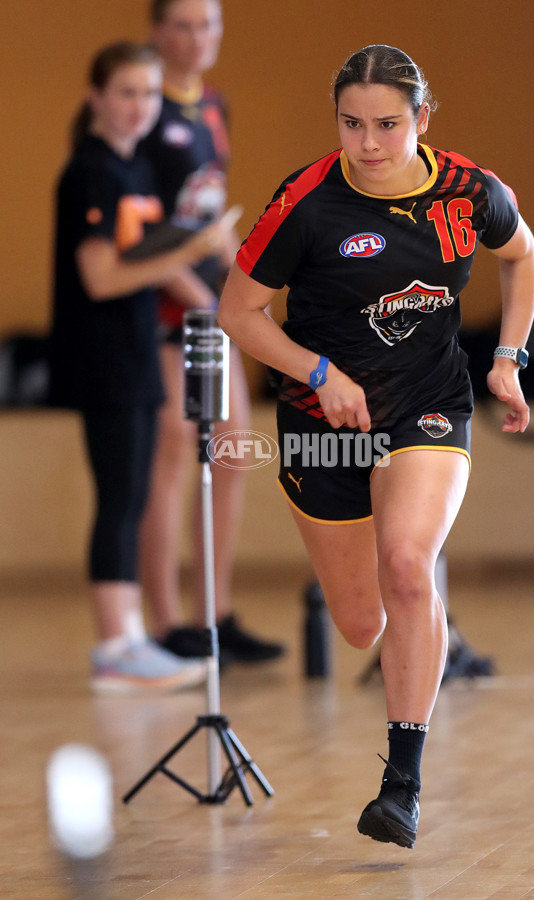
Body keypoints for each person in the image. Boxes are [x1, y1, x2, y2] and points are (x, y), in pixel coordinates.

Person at [218, 44, 534, 847]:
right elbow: (239, 312)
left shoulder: (470, 190)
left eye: (387, 125)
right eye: (352, 124)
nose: (367, 144)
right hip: (321, 423)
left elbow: (522, 254)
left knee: (407, 562)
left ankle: (403, 784)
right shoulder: (305, 201)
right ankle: (375, 593)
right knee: (360, 624)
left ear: (423, 120)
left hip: (428, 404)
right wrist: (317, 369)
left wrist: (507, 359)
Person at [48, 41, 234, 692]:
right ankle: (117, 642)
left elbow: (146, 260)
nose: (139, 107)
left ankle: (126, 639)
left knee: (128, 494)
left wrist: (204, 274)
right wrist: (196, 249)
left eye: (150, 95)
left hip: (132, 350)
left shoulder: (131, 171)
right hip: (103, 355)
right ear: (97, 98)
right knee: (120, 497)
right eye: (126, 92)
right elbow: (100, 278)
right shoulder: (91, 172)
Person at [139, 0, 285, 665]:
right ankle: (166, 623)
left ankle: (214, 616)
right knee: (172, 453)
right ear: (158, 31)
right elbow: (139, 232)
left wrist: (245, 280)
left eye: (211, 24)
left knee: (231, 450)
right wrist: (202, 296)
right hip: (162, 310)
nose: (201, 38)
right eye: (186, 25)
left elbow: (211, 215)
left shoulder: (215, 107)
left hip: (211, 306)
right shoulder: (144, 109)